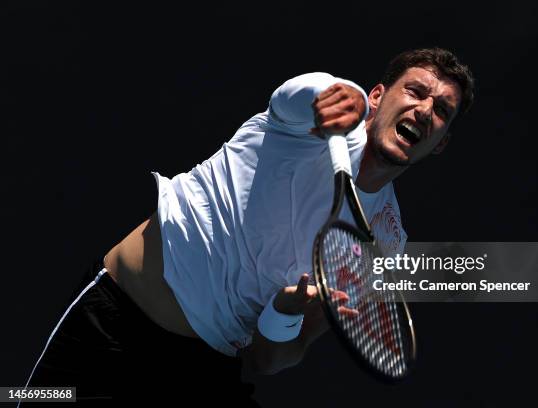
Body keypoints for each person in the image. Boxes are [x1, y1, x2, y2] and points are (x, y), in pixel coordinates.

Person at [22, 47, 474, 405]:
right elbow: (300, 95)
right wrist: (340, 94)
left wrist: (283, 315)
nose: (423, 109)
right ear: (378, 97)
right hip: (111, 327)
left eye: (440, 111)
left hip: (200, 375)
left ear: (441, 143)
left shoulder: (383, 244)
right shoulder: (311, 125)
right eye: (414, 92)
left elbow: (271, 359)